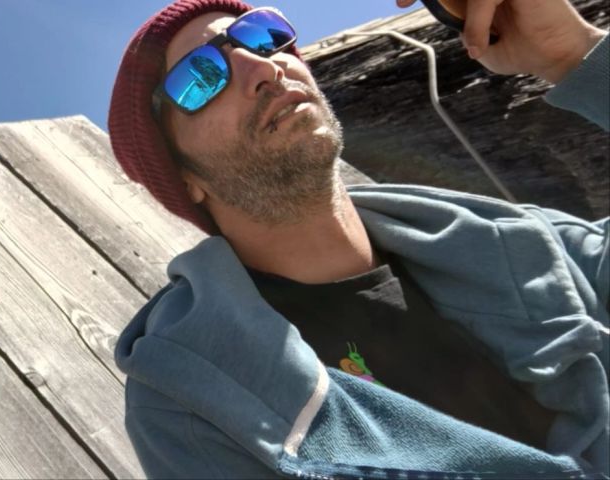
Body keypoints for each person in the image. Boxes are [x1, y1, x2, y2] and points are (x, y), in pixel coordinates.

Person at [108, 0, 609, 478]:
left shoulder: (523, 242)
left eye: (262, 37)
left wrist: (572, 52)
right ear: (185, 179)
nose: (264, 68)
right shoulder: (192, 409)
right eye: (200, 77)